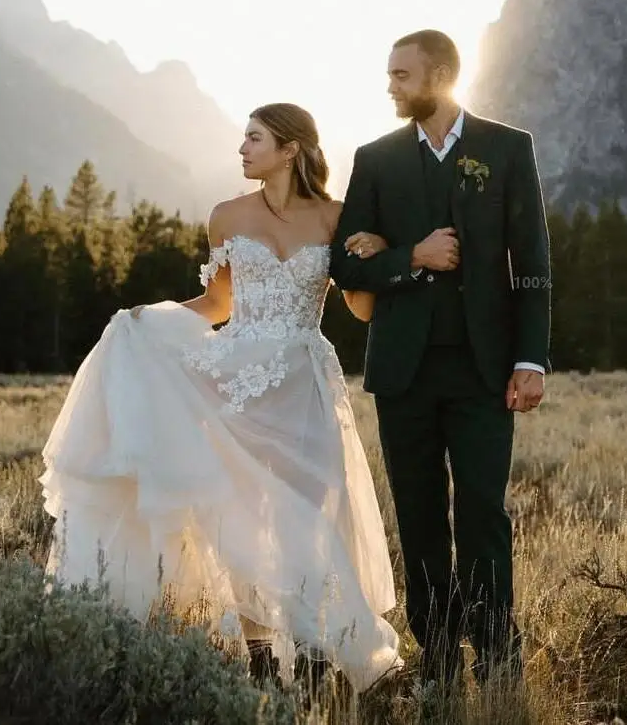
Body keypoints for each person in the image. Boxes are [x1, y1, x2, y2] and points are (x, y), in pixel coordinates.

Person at [40, 102, 403, 697]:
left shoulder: (338, 217)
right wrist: (146, 320)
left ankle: (312, 655)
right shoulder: (227, 216)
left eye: (254, 138)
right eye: (243, 138)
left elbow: (360, 309)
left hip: (306, 379)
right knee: (245, 511)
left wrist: (372, 257)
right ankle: (261, 657)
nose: (242, 149)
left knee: (314, 514)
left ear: (290, 149)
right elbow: (217, 307)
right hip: (238, 381)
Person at [329, 29, 551, 691]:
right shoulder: (374, 159)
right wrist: (408, 258)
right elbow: (341, 262)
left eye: (401, 74)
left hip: (484, 371)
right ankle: (439, 658)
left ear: (441, 76)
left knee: (483, 512)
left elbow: (532, 260)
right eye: (389, 74)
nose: (390, 85)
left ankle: (493, 647)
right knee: (419, 514)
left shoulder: (507, 149)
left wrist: (531, 358)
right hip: (403, 371)